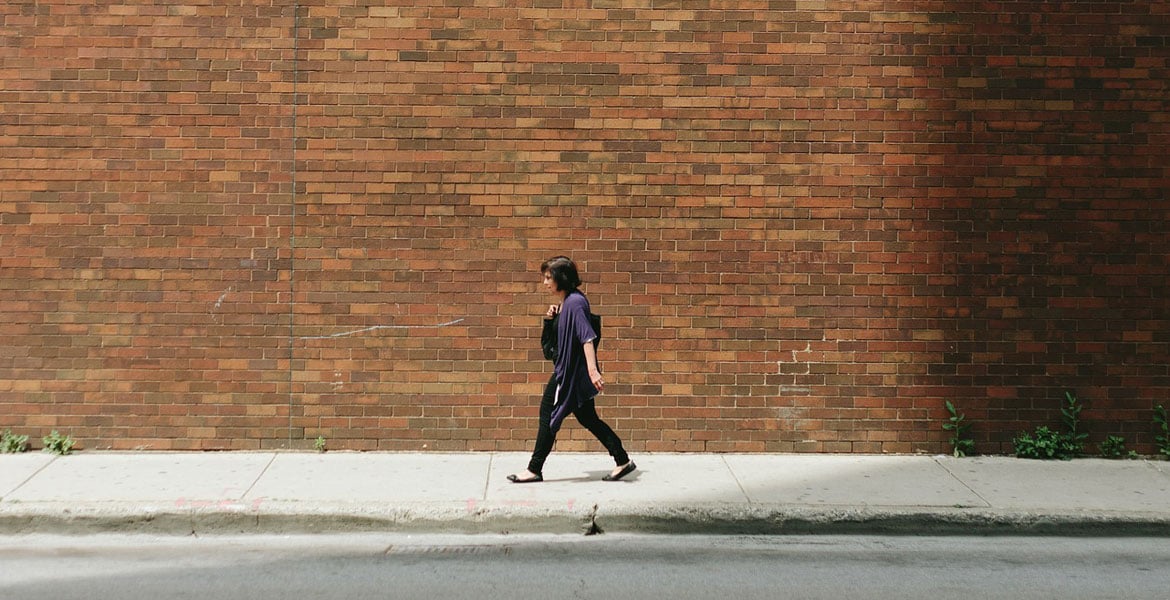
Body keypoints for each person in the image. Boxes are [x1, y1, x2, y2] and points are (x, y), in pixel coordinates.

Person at [508, 256, 635, 483]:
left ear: (561, 278)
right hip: (572, 372)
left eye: (549, 278)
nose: (545, 282)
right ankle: (622, 459)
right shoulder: (568, 302)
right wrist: (552, 319)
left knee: (548, 415)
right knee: (588, 419)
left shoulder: (575, 303)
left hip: (569, 375)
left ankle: (534, 469)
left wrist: (593, 372)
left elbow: (587, 337)